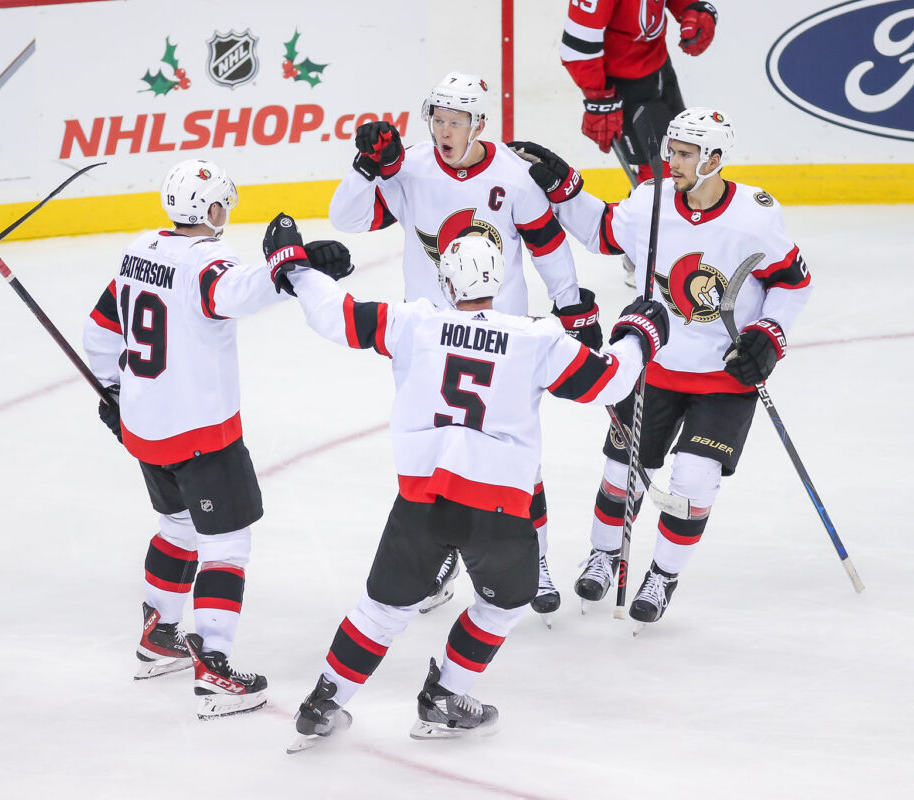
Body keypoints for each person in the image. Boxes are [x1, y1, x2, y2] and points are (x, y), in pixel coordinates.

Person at [280, 232, 669, 748]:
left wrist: (297, 267)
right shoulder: (535, 338)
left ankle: (323, 702)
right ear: (504, 279)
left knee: (380, 610)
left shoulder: (414, 322)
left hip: (421, 500)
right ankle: (445, 697)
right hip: (498, 507)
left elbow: (333, 314)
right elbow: (611, 382)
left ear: (445, 280)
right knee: (505, 603)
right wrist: (639, 334)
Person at [515, 107, 812, 628]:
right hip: (653, 365)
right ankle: (605, 556)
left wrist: (769, 336)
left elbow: (793, 282)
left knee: (694, 479)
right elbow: (603, 232)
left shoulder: (755, 216)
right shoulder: (651, 201)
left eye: (684, 154)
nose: (670, 160)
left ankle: (663, 574)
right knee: (621, 474)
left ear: (714, 160)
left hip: (725, 373)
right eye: (670, 150)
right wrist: (566, 186)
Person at [329, 70, 603, 622]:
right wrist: (366, 169)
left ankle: (539, 560)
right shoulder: (409, 166)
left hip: (501, 340)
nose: (444, 130)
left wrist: (571, 304)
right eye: (438, 118)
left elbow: (547, 241)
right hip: (428, 340)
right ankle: (435, 565)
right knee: (431, 458)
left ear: (479, 123)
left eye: (456, 121)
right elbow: (347, 217)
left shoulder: (512, 174)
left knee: (516, 458)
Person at [82, 159, 352, 719]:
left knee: (178, 526)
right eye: (221, 204)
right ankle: (214, 667)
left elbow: (100, 329)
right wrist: (288, 264)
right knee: (226, 545)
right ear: (210, 209)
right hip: (201, 433)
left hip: (145, 427)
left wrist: (112, 390)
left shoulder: (138, 250)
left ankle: (158, 637)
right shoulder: (206, 263)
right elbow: (238, 290)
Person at [559, 0, 718, 182]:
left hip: (660, 67)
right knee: (663, 175)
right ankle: (644, 208)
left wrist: (690, 8)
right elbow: (577, 47)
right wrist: (599, 99)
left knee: (687, 155)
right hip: (624, 86)